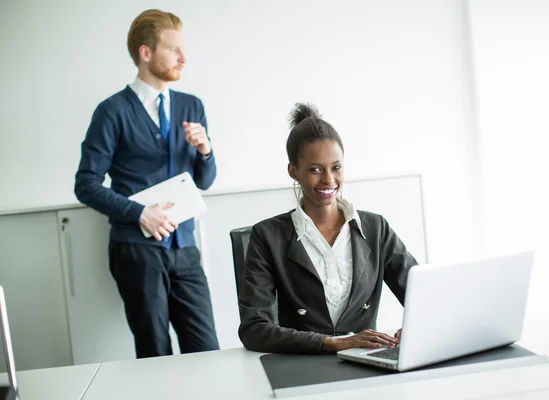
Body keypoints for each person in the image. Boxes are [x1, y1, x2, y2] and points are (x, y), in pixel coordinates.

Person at [74, 9, 219, 358]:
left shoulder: (191, 105)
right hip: (136, 251)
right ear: (146, 53)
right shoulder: (112, 112)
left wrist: (206, 151)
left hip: (184, 248)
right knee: (154, 353)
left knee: (207, 350)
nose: (183, 58)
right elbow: (86, 184)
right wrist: (140, 214)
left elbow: (205, 181)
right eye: (173, 50)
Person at [238, 103, 418, 354]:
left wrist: (415, 329)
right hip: (302, 364)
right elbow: (254, 329)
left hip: (366, 362)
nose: (328, 179)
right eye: (315, 170)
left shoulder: (376, 228)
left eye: (336, 168)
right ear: (294, 172)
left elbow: (423, 297)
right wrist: (330, 343)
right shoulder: (267, 236)